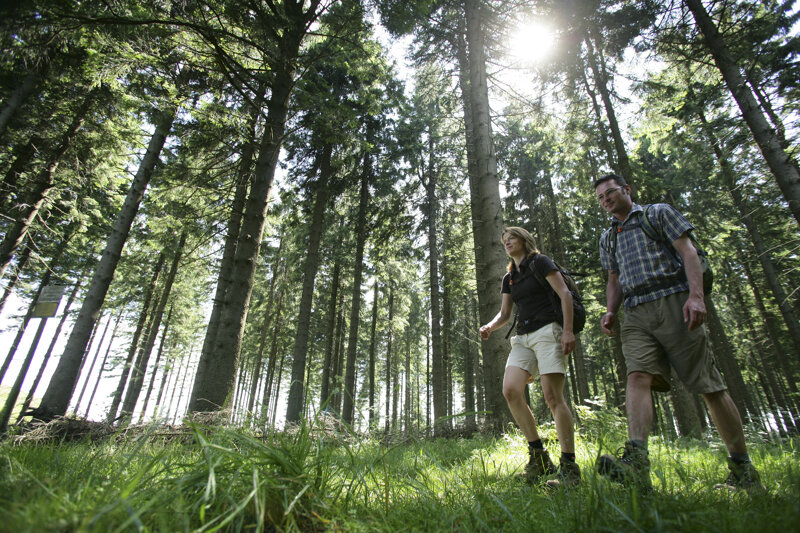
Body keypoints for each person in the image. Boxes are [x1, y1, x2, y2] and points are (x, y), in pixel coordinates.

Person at [594, 173, 763, 492]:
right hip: (635, 311)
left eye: (611, 193)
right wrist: (611, 310)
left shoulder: (658, 213)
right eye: (601, 198)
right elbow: (613, 279)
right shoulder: (608, 238)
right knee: (637, 376)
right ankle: (636, 463)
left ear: (627, 190)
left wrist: (696, 296)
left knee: (708, 385)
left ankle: (744, 471)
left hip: (674, 300)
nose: (606, 200)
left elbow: (688, 253)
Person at [480, 227, 580, 488]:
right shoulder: (509, 277)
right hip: (523, 337)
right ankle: (539, 458)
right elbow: (504, 314)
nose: (507, 243)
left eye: (511, 238)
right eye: (504, 241)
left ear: (524, 240)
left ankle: (570, 468)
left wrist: (568, 331)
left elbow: (565, 295)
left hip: (549, 330)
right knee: (511, 391)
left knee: (552, 397)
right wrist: (490, 326)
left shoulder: (541, 262)